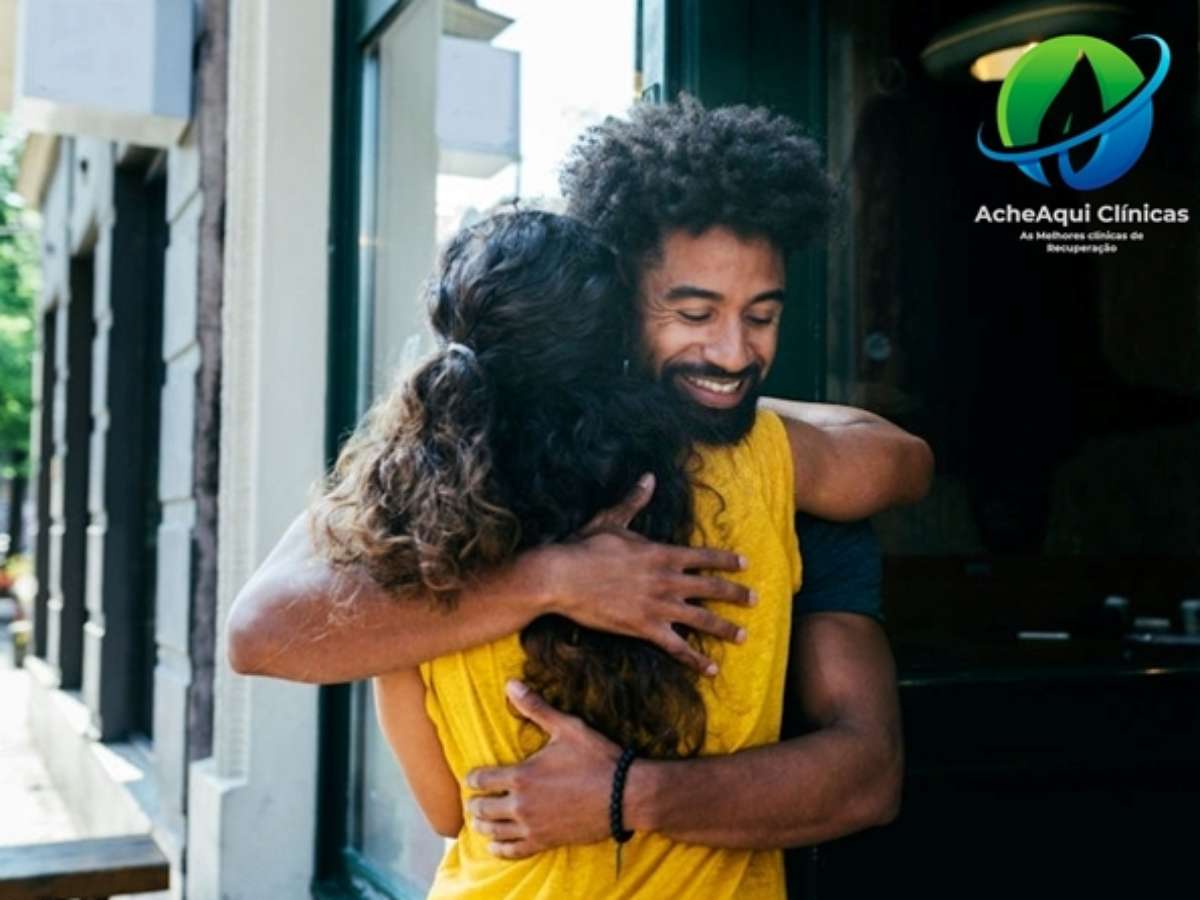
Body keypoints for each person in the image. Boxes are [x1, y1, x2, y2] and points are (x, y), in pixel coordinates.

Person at [228, 98, 931, 869]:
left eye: (760, 317)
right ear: (618, 308)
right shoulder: (460, 470)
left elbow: (445, 808)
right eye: (694, 314)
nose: (733, 354)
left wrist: (625, 794)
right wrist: (554, 580)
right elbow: (258, 632)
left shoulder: (434, 493)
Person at [323, 208, 808, 896]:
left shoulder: (414, 540)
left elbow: (446, 812)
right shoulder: (749, 467)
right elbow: (902, 463)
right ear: (622, 344)